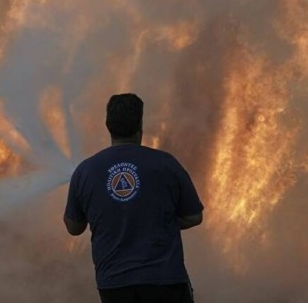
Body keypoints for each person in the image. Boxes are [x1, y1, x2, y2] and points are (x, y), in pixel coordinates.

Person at [63, 93, 204, 303]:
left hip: (114, 284)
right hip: (164, 281)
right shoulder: (165, 164)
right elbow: (194, 216)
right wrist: (159, 221)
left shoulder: (86, 171)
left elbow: (74, 227)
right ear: (140, 125)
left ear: (108, 125)